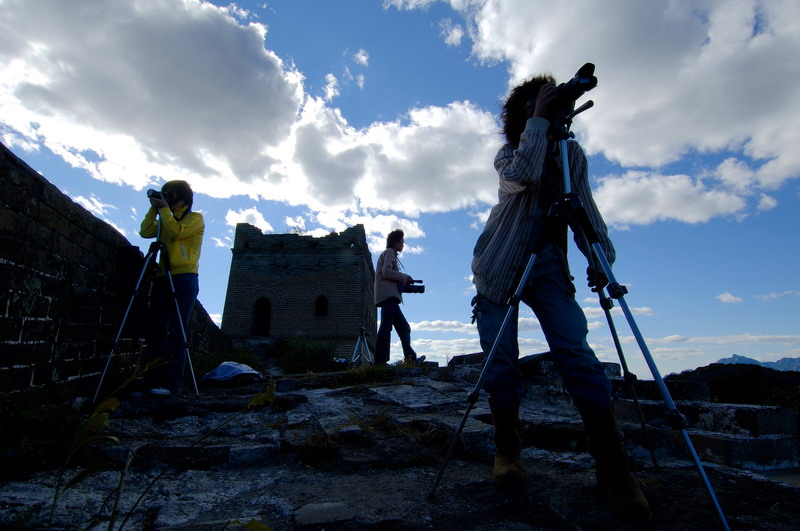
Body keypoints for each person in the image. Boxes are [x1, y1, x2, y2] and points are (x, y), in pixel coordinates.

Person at [470, 75, 651, 521]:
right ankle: (507, 450)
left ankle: (614, 468)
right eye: (539, 103)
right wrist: (536, 123)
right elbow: (523, 176)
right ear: (522, 115)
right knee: (500, 360)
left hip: (548, 263)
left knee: (575, 351)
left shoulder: (570, 154)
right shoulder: (509, 153)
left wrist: (600, 259)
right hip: (499, 263)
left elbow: (584, 206)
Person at [139, 180, 204, 396]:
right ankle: (150, 381)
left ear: (183, 198)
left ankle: (170, 384)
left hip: (184, 277)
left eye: (171, 195)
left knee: (176, 331)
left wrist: (165, 211)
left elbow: (176, 233)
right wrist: (153, 209)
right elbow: (145, 231)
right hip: (162, 277)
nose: (168, 199)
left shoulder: (195, 219)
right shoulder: (166, 219)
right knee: (155, 329)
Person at [374, 229, 425, 366]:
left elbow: (389, 277)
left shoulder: (389, 254)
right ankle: (380, 361)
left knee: (403, 328)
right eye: (402, 241)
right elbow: (387, 272)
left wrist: (405, 283)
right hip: (388, 297)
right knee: (387, 327)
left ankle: (410, 359)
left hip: (389, 297)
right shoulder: (390, 252)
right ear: (396, 242)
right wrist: (405, 278)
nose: (403, 244)